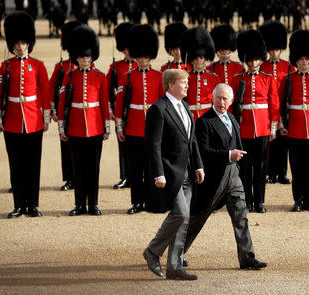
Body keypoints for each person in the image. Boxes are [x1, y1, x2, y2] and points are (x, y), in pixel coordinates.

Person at [183, 83, 268, 270]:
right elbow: (203, 151)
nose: (222, 102)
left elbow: (238, 147)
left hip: (233, 176)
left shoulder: (232, 119)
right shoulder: (204, 121)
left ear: (231, 101)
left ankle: (247, 258)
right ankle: (177, 252)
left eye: (225, 99)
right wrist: (229, 155)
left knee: (241, 215)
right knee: (198, 217)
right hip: (213, 179)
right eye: (218, 98)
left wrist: (238, 169)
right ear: (212, 99)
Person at [143, 69, 204, 281]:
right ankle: (152, 251)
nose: (187, 85)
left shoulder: (185, 107)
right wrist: (158, 173)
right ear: (170, 85)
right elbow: (153, 145)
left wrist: (198, 166)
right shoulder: (158, 109)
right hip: (170, 173)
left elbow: (192, 140)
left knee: (184, 219)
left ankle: (175, 266)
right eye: (183, 82)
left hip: (187, 172)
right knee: (180, 214)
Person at [0, 11, 50, 218]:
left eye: (23, 42)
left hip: (34, 121)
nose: (19, 46)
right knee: (15, 166)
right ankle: (18, 205)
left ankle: (33, 205)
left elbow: (44, 92)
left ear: (29, 43)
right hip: (13, 122)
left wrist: (45, 118)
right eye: (16, 43)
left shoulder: (38, 66)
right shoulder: (5, 66)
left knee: (33, 165)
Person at [58, 24, 110, 216]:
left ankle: (93, 205)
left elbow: (104, 103)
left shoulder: (100, 76)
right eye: (81, 56)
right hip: (76, 128)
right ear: (76, 57)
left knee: (93, 168)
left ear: (92, 55)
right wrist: (62, 128)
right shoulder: (69, 76)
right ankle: (80, 204)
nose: (85, 59)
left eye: (87, 56)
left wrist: (106, 127)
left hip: (95, 128)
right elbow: (64, 103)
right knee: (78, 169)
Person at [115, 24, 163, 214]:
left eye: (146, 56)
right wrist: (120, 126)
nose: (143, 59)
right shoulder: (127, 77)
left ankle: (151, 201)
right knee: (135, 169)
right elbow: (120, 104)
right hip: (133, 128)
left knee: (152, 168)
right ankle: (137, 202)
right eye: (140, 56)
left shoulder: (159, 76)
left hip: (152, 129)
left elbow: (162, 105)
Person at [231, 29, 280, 213]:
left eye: (256, 60)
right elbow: (231, 105)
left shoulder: (268, 79)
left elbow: (274, 106)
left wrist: (273, 128)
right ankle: (246, 200)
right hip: (244, 129)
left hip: (262, 129)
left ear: (261, 59)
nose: (253, 63)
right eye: (249, 60)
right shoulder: (237, 79)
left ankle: (259, 201)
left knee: (260, 168)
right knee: (243, 168)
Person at [280, 30, 309, 212]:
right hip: (294, 129)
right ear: (295, 59)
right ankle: (297, 199)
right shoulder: (288, 79)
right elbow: (283, 104)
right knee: (296, 167)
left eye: (307, 58)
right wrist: (283, 125)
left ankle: (308, 199)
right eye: (301, 59)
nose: (304, 61)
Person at [49, 20, 81, 192]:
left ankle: (80, 177)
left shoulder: (85, 66)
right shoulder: (61, 66)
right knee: (66, 146)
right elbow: (52, 88)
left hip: (81, 113)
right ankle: (69, 178)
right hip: (66, 113)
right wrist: (54, 110)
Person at [259, 20, 293, 185]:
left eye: (276, 49)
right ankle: (271, 173)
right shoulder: (262, 66)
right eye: (271, 49)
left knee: (283, 143)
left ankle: (283, 173)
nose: (273, 52)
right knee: (270, 144)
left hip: (283, 109)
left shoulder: (288, 67)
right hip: (268, 110)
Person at [107, 22, 137, 190]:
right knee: (123, 146)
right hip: (123, 113)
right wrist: (112, 111)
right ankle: (125, 176)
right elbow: (109, 92)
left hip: (136, 113)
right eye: (124, 48)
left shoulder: (140, 67)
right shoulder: (116, 67)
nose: (127, 50)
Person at [180, 26, 221, 120]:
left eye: (201, 57)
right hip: (190, 117)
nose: (198, 60)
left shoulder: (214, 78)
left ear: (206, 58)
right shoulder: (185, 77)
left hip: (208, 117)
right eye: (195, 57)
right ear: (191, 58)